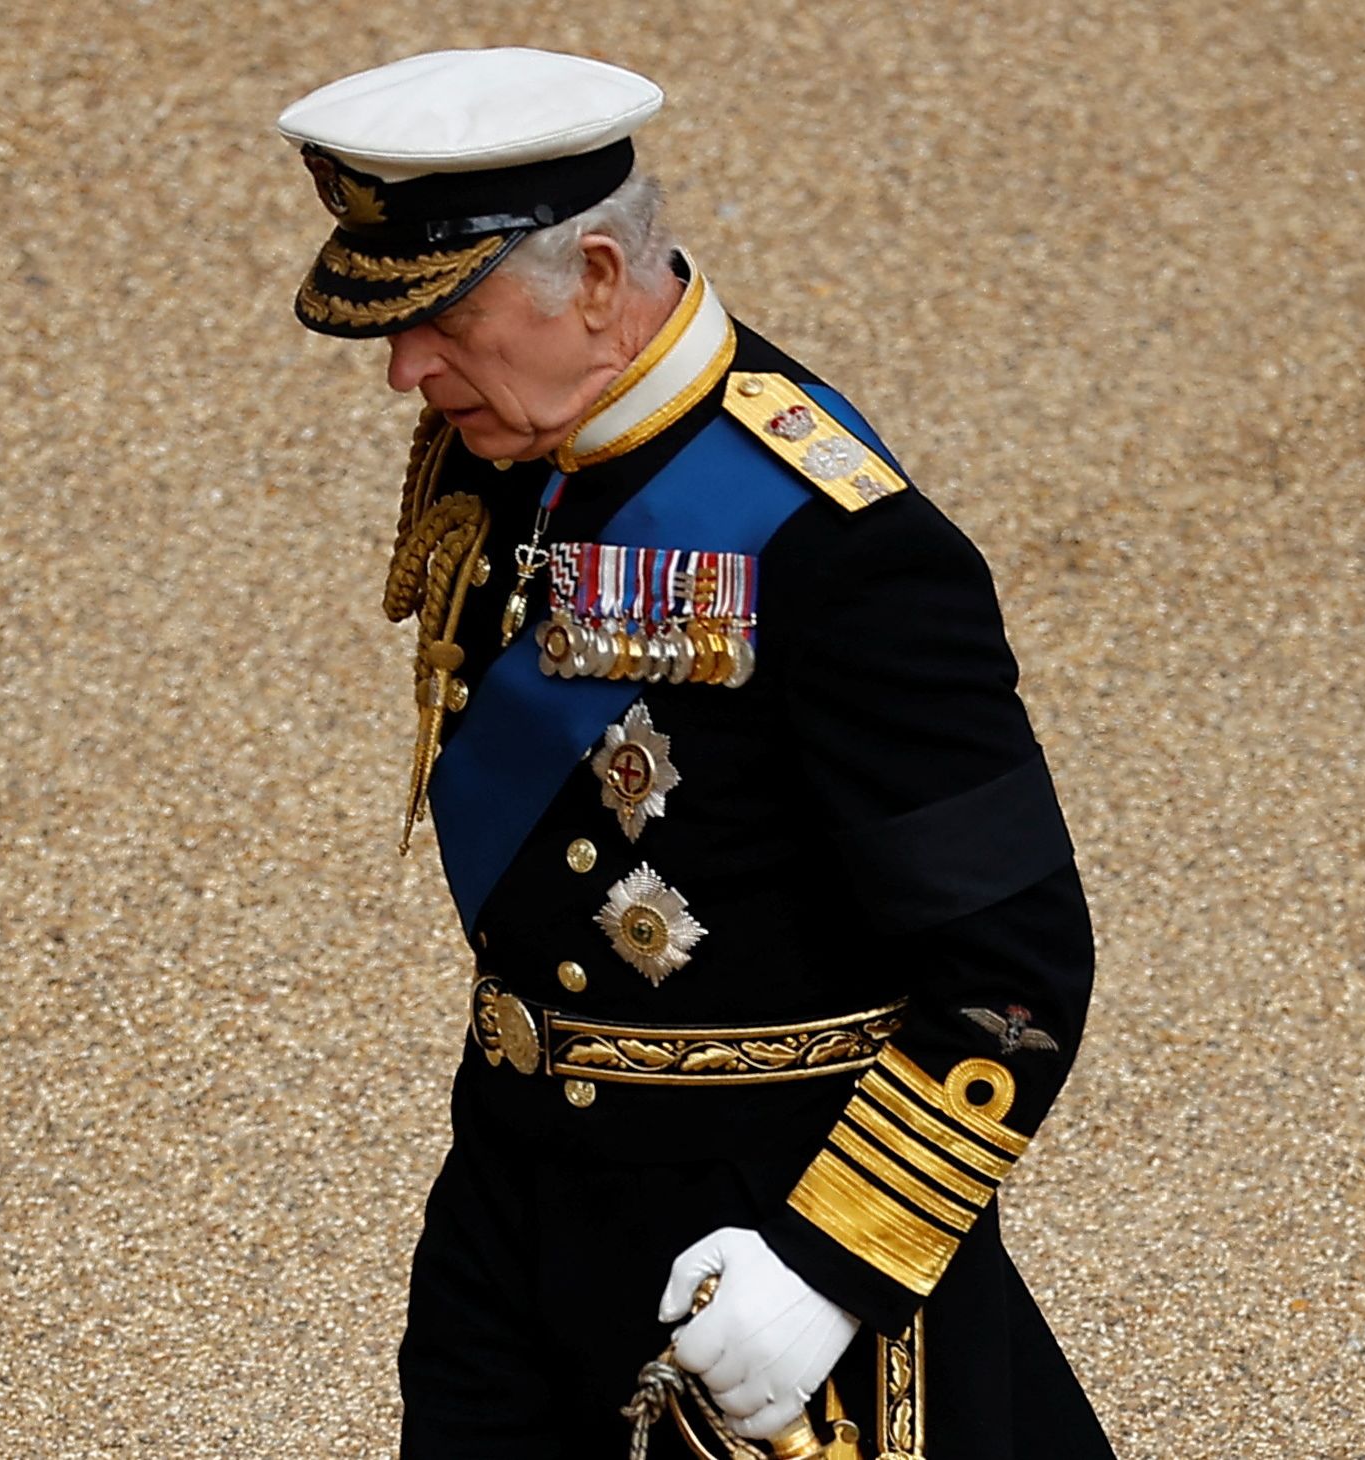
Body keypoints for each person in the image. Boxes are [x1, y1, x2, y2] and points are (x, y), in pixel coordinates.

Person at [275, 48, 1114, 1459]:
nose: (407, 371)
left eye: (446, 319)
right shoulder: (509, 436)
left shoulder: (846, 552)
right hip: (516, 1177)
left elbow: (1016, 975)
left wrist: (834, 1264)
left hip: (755, 1226)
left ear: (599, 279)